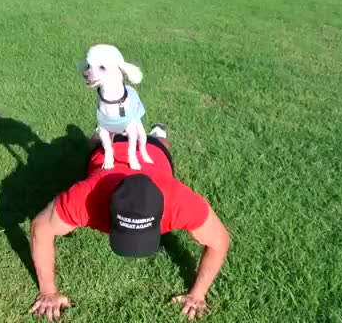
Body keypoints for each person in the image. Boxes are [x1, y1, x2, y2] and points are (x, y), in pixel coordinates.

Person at [29, 124, 230, 320]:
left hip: (152, 152)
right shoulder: (86, 197)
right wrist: (48, 292)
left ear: (163, 213)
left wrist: (198, 294)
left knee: (161, 143)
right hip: (109, 153)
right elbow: (41, 228)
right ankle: (104, 132)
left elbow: (219, 241)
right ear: (107, 209)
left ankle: (157, 131)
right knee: (96, 143)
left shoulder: (180, 202)